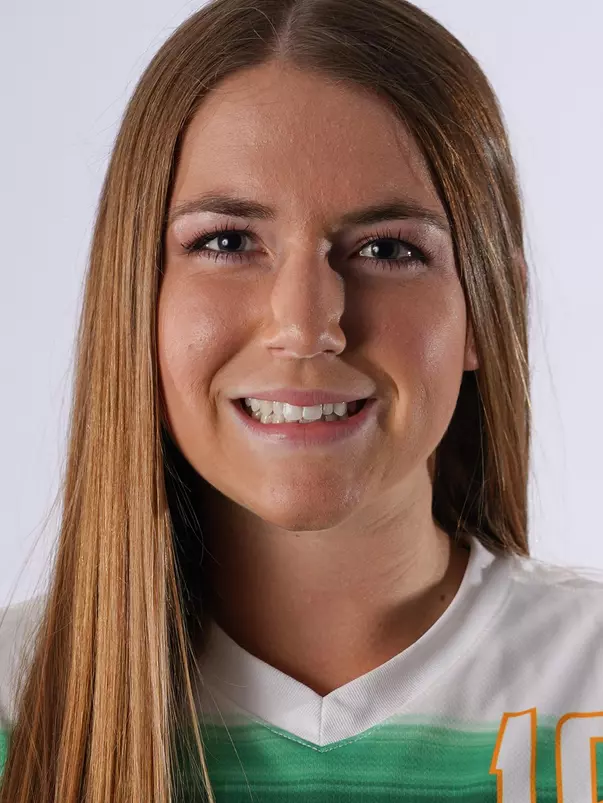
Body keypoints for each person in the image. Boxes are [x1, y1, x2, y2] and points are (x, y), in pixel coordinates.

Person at [2, 0, 603, 800]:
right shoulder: (19, 704)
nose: (306, 324)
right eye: (226, 242)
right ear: (135, 296)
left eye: (387, 249)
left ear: (489, 311)